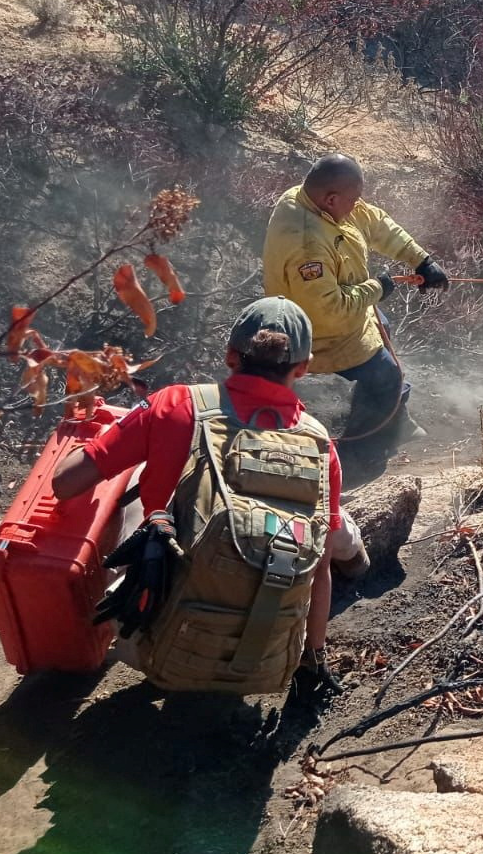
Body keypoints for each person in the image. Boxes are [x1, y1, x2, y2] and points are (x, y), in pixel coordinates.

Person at [51, 298, 353, 700]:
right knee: (328, 529)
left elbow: (66, 483)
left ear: (231, 356)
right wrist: (312, 657)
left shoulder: (175, 404)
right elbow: (319, 573)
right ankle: (360, 562)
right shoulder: (319, 442)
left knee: (142, 482)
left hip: (154, 644)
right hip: (267, 659)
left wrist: (98, 431)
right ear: (304, 367)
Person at [261, 154, 448, 472]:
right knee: (386, 374)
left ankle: (394, 419)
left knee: (382, 326)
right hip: (317, 332)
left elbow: (374, 222)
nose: (356, 205)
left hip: (344, 313)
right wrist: (379, 287)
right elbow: (329, 310)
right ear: (331, 198)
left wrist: (421, 260)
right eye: (353, 199)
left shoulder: (321, 202)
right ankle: (358, 456)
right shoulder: (306, 243)